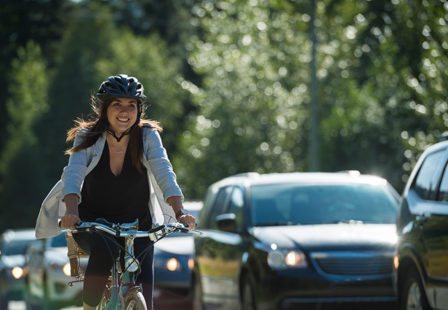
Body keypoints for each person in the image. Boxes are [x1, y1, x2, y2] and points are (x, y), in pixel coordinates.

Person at [35, 74, 196, 310]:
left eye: (131, 105)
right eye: (117, 104)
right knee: (105, 246)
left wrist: (180, 212)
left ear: (139, 109)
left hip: (138, 223)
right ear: (104, 108)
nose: (125, 111)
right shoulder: (88, 136)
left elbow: (164, 171)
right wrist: (71, 211)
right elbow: (74, 174)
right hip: (93, 223)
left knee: (145, 272)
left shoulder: (148, 135)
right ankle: (89, 307)